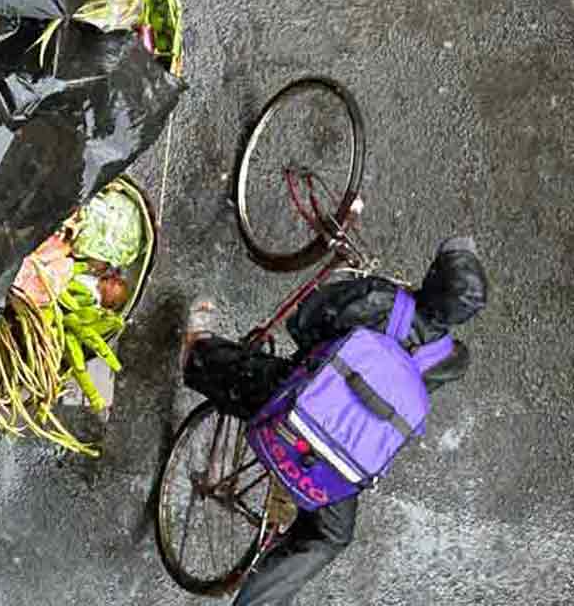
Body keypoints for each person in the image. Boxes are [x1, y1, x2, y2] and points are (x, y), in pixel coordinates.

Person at [181, 238, 489, 606]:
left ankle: (196, 352)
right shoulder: (452, 361)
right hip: (343, 458)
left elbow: (304, 322)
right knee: (329, 538)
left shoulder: (381, 299)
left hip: (295, 414)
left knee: (255, 379)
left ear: (432, 276)